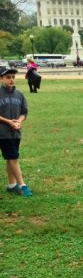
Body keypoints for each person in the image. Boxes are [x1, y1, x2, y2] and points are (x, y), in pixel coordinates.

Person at [0, 66, 32, 196]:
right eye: (8, 77)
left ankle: (12, 185)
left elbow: (24, 112)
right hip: (2, 133)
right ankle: (22, 185)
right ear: (1, 78)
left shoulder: (19, 94)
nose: (11, 80)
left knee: (10, 158)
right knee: (13, 158)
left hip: (15, 132)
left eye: (13, 77)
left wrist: (18, 121)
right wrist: (8, 122)